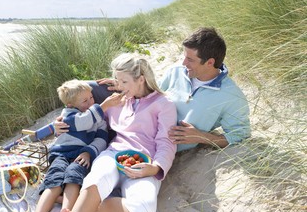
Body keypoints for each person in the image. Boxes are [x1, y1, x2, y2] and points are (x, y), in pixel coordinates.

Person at [61, 53, 177, 212]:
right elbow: (79, 91)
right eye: (117, 81)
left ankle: (85, 206)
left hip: (143, 162)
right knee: (94, 182)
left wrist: (155, 168)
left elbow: (166, 142)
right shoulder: (117, 100)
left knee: (144, 211)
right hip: (113, 153)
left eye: (124, 82)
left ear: (141, 80)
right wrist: (63, 121)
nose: (119, 86)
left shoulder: (164, 104)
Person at [83, 27, 251, 151]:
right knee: (93, 88)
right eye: (184, 56)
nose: (184, 63)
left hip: (152, 142)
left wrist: (202, 137)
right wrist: (123, 82)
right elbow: (154, 91)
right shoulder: (178, 70)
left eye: (190, 59)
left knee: (91, 141)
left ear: (210, 62)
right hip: (136, 114)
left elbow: (240, 134)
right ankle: (61, 124)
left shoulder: (231, 96)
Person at [23, 79, 121, 212]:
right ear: (70, 105)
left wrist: (89, 152)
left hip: (82, 155)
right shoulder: (69, 115)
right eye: (85, 100)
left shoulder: (98, 118)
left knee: (74, 176)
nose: (91, 102)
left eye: (91, 98)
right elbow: (84, 122)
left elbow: (101, 138)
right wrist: (103, 106)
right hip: (61, 153)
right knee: (54, 180)